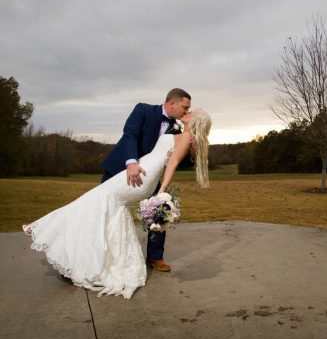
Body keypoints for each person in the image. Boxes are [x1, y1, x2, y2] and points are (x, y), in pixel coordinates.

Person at [22, 108, 212, 299]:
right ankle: (95, 257)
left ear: (196, 121)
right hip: (138, 170)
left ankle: (44, 228)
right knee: (102, 204)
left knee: (96, 198)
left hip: (144, 176)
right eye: (187, 107)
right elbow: (147, 143)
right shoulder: (179, 131)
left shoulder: (187, 137)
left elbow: (172, 164)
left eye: (193, 111)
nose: (189, 110)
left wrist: (161, 192)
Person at [101, 88, 195, 272]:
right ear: (172, 103)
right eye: (185, 107)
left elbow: (178, 162)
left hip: (149, 177)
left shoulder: (177, 128)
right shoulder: (143, 110)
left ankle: (155, 257)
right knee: (103, 210)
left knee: (161, 208)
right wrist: (131, 162)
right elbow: (130, 135)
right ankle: (103, 252)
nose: (186, 111)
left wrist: (191, 150)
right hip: (120, 169)